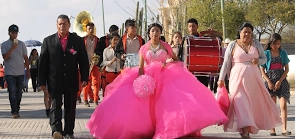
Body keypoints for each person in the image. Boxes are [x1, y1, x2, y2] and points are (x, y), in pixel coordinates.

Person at [86, 23, 228, 138]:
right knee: (145, 105)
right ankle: (147, 128)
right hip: (147, 76)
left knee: (166, 104)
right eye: (153, 31)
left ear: (160, 33)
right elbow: (141, 66)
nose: (155, 33)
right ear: (149, 33)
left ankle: (168, 128)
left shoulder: (165, 46)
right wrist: (141, 79)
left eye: (157, 31)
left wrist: (167, 64)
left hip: (164, 75)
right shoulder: (144, 48)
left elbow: (176, 59)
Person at [217, 22, 282, 139]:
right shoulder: (232, 45)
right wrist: (221, 78)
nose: (247, 34)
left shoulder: (256, 44)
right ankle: (245, 130)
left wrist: (258, 61)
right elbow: (226, 63)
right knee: (240, 102)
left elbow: (264, 58)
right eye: (244, 32)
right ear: (240, 32)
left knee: (250, 104)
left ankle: (246, 128)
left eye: (249, 32)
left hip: (253, 78)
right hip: (236, 78)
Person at [38, 14, 89, 139]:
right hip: (55, 79)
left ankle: (68, 131)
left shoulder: (77, 40)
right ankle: (56, 130)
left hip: (71, 78)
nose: (62, 26)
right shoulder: (48, 41)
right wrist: (41, 81)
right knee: (55, 105)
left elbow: (83, 60)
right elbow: (42, 63)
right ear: (56, 25)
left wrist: (84, 77)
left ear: (69, 25)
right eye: (60, 24)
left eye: (64, 24)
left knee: (70, 107)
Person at [260, 33, 291, 136]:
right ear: (270, 43)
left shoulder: (283, 53)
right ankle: (272, 129)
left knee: (283, 105)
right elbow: (262, 70)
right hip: (270, 83)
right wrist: (269, 81)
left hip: (282, 82)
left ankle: (284, 129)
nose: (276, 46)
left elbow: (286, 70)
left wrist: (280, 81)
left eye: (278, 43)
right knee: (272, 106)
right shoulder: (266, 53)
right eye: (274, 43)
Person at [1, 24, 30, 118]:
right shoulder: (4, 44)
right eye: (13, 33)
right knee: (12, 90)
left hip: (20, 72)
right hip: (10, 72)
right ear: (9, 33)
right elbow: (5, 57)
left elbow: (26, 57)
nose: (15, 35)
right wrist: (12, 48)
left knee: (19, 92)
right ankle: (14, 111)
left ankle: (16, 108)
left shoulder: (21, 44)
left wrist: (28, 71)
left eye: (16, 33)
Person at [178, 18, 210, 87]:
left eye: (193, 26)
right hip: (189, 71)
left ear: (197, 27)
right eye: (190, 26)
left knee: (202, 92)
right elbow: (180, 54)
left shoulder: (204, 39)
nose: (191, 28)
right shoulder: (185, 40)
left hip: (202, 71)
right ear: (187, 28)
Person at [82, 22, 101, 107]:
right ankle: (85, 99)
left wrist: (97, 56)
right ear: (86, 30)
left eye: (92, 28)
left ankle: (95, 99)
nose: (91, 30)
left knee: (96, 82)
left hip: (95, 64)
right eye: (89, 28)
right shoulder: (83, 40)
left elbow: (100, 50)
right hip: (86, 64)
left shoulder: (98, 40)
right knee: (86, 82)